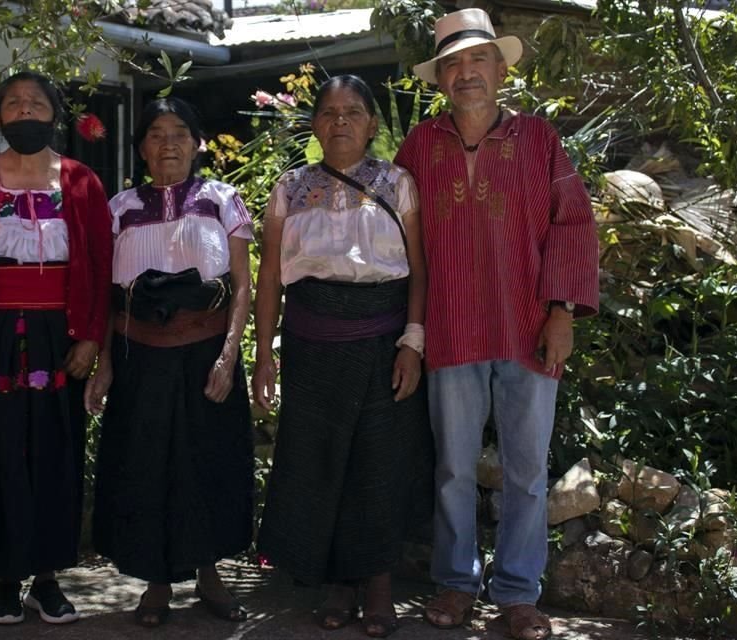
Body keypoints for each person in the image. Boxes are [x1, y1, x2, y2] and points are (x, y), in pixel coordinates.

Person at [394, 9, 600, 640]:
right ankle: (457, 584)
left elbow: (573, 222)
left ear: (501, 69)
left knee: (527, 472)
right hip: (452, 327)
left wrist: (561, 311)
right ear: (440, 81)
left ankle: (517, 594)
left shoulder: (539, 140)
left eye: (477, 60)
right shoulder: (420, 147)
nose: (466, 73)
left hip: (528, 328)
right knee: (453, 467)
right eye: (452, 63)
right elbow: (396, 237)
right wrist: (410, 331)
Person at [252, 75, 433, 639]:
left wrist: (413, 341)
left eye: (353, 112)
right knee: (319, 461)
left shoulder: (398, 183)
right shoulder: (289, 189)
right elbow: (269, 282)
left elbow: (419, 271)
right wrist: (264, 355)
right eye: (328, 112)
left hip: (383, 344)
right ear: (314, 123)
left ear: (373, 123)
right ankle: (334, 580)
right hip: (311, 346)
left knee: (379, 463)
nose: (340, 122)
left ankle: (377, 583)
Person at [0, 71, 113, 625]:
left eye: (37, 103)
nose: (26, 112)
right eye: (14, 104)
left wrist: (89, 338)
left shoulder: (83, 182)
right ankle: (5, 579)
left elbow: (104, 270)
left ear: (54, 115)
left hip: (60, 341)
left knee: (55, 454)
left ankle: (47, 579)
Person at [84, 97, 254, 628]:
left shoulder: (223, 200)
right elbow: (108, 298)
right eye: (156, 133)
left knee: (208, 463)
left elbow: (243, 286)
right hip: (141, 360)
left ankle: (209, 575)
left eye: (180, 131)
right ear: (141, 147)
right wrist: (106, 365)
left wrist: (229, 357)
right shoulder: (118, 208)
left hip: (206, 355)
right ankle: (156, 582)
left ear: (198, 142)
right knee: (147, 467)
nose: (169, 142)